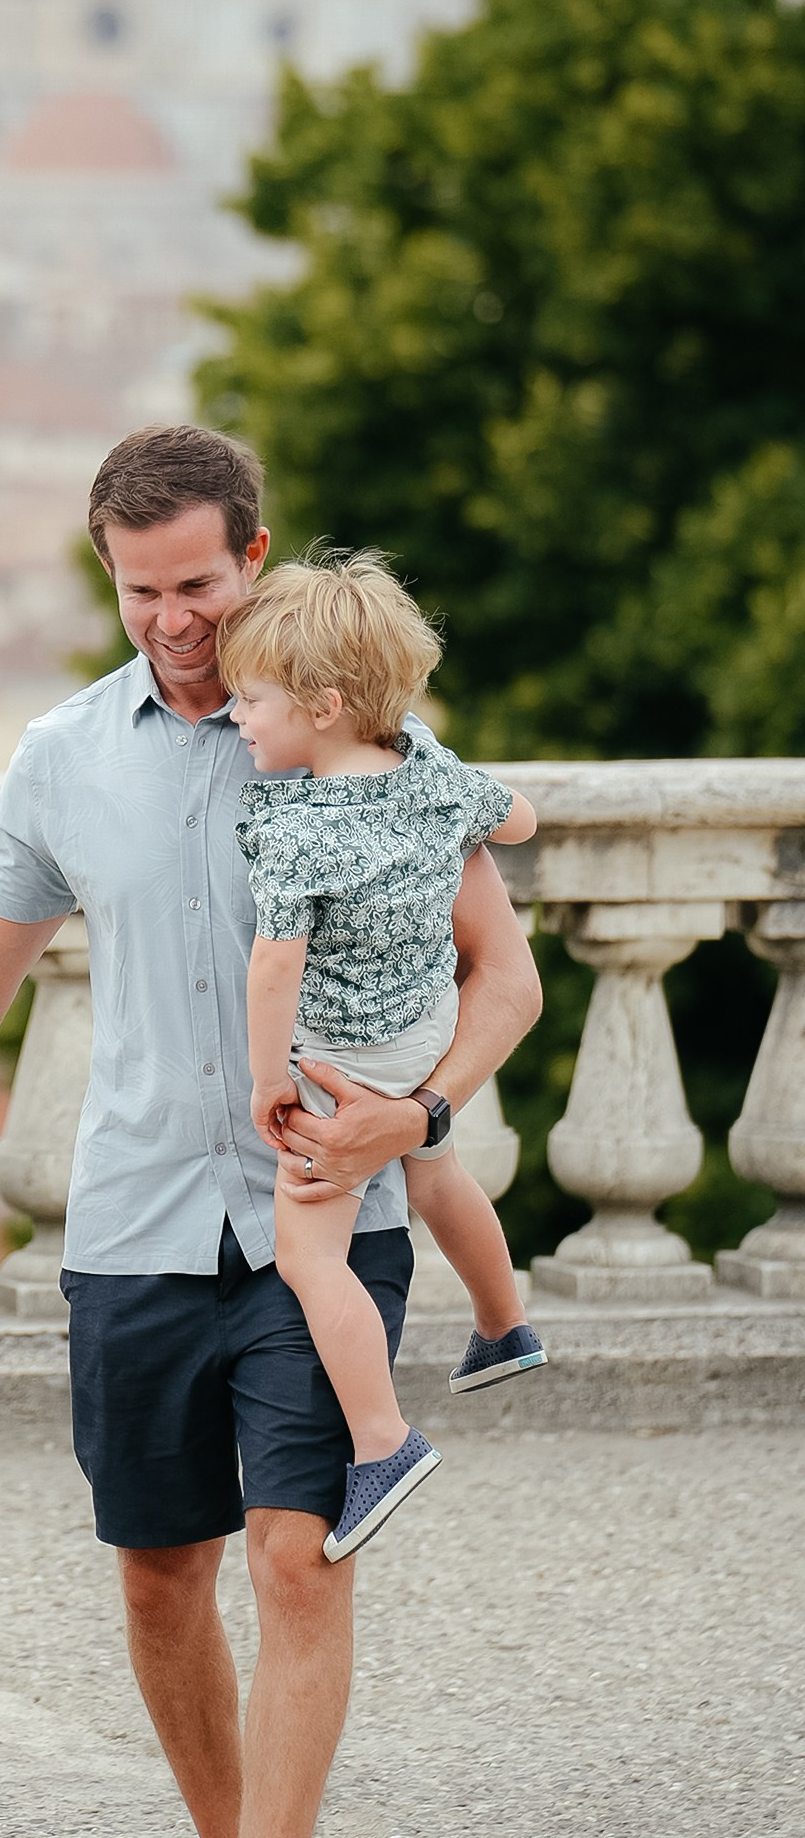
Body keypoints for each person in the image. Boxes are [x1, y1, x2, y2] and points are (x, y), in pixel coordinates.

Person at [0, 424, 541, 1838]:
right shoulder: (66, 752)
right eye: (139, 589)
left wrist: (416, 1117)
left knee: (299, 1560)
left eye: (200, 584)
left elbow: (501, 977)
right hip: (139, 1217)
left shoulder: (378, 740)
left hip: (330, 1219)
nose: (172, 618)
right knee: (161, 1575)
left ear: (256, 553)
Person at [219, 551, 544, 1565]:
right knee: (435, 1167)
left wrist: (268, 1077)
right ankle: (502, 1323)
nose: (235, 717)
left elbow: (273, 968)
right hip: (419, 1035)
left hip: (336, 1060)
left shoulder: (303, 832)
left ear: (319, 704)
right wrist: (455, 814)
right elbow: (520, 819)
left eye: (250, 700)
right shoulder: (428, 766)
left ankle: (379, 1441)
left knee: (310, 1257)